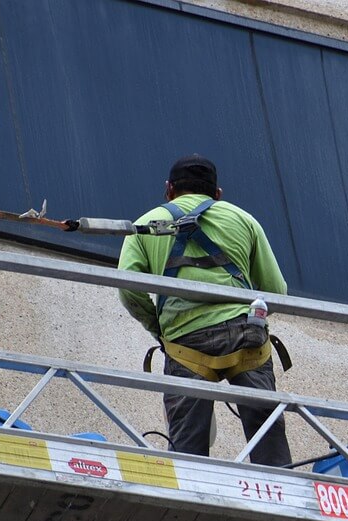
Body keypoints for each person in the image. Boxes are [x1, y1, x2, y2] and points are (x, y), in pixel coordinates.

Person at [118, 155, 291, 466]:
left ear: (168, 190)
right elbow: (276, 292)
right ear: (217, 194)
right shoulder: (244, 220)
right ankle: (282, 491)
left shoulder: (144, 225)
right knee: (267, 430)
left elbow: (128, 289)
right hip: (245, 336)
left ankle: (188, 494)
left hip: (185, 344)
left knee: (187, 448)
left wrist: (158, 327)